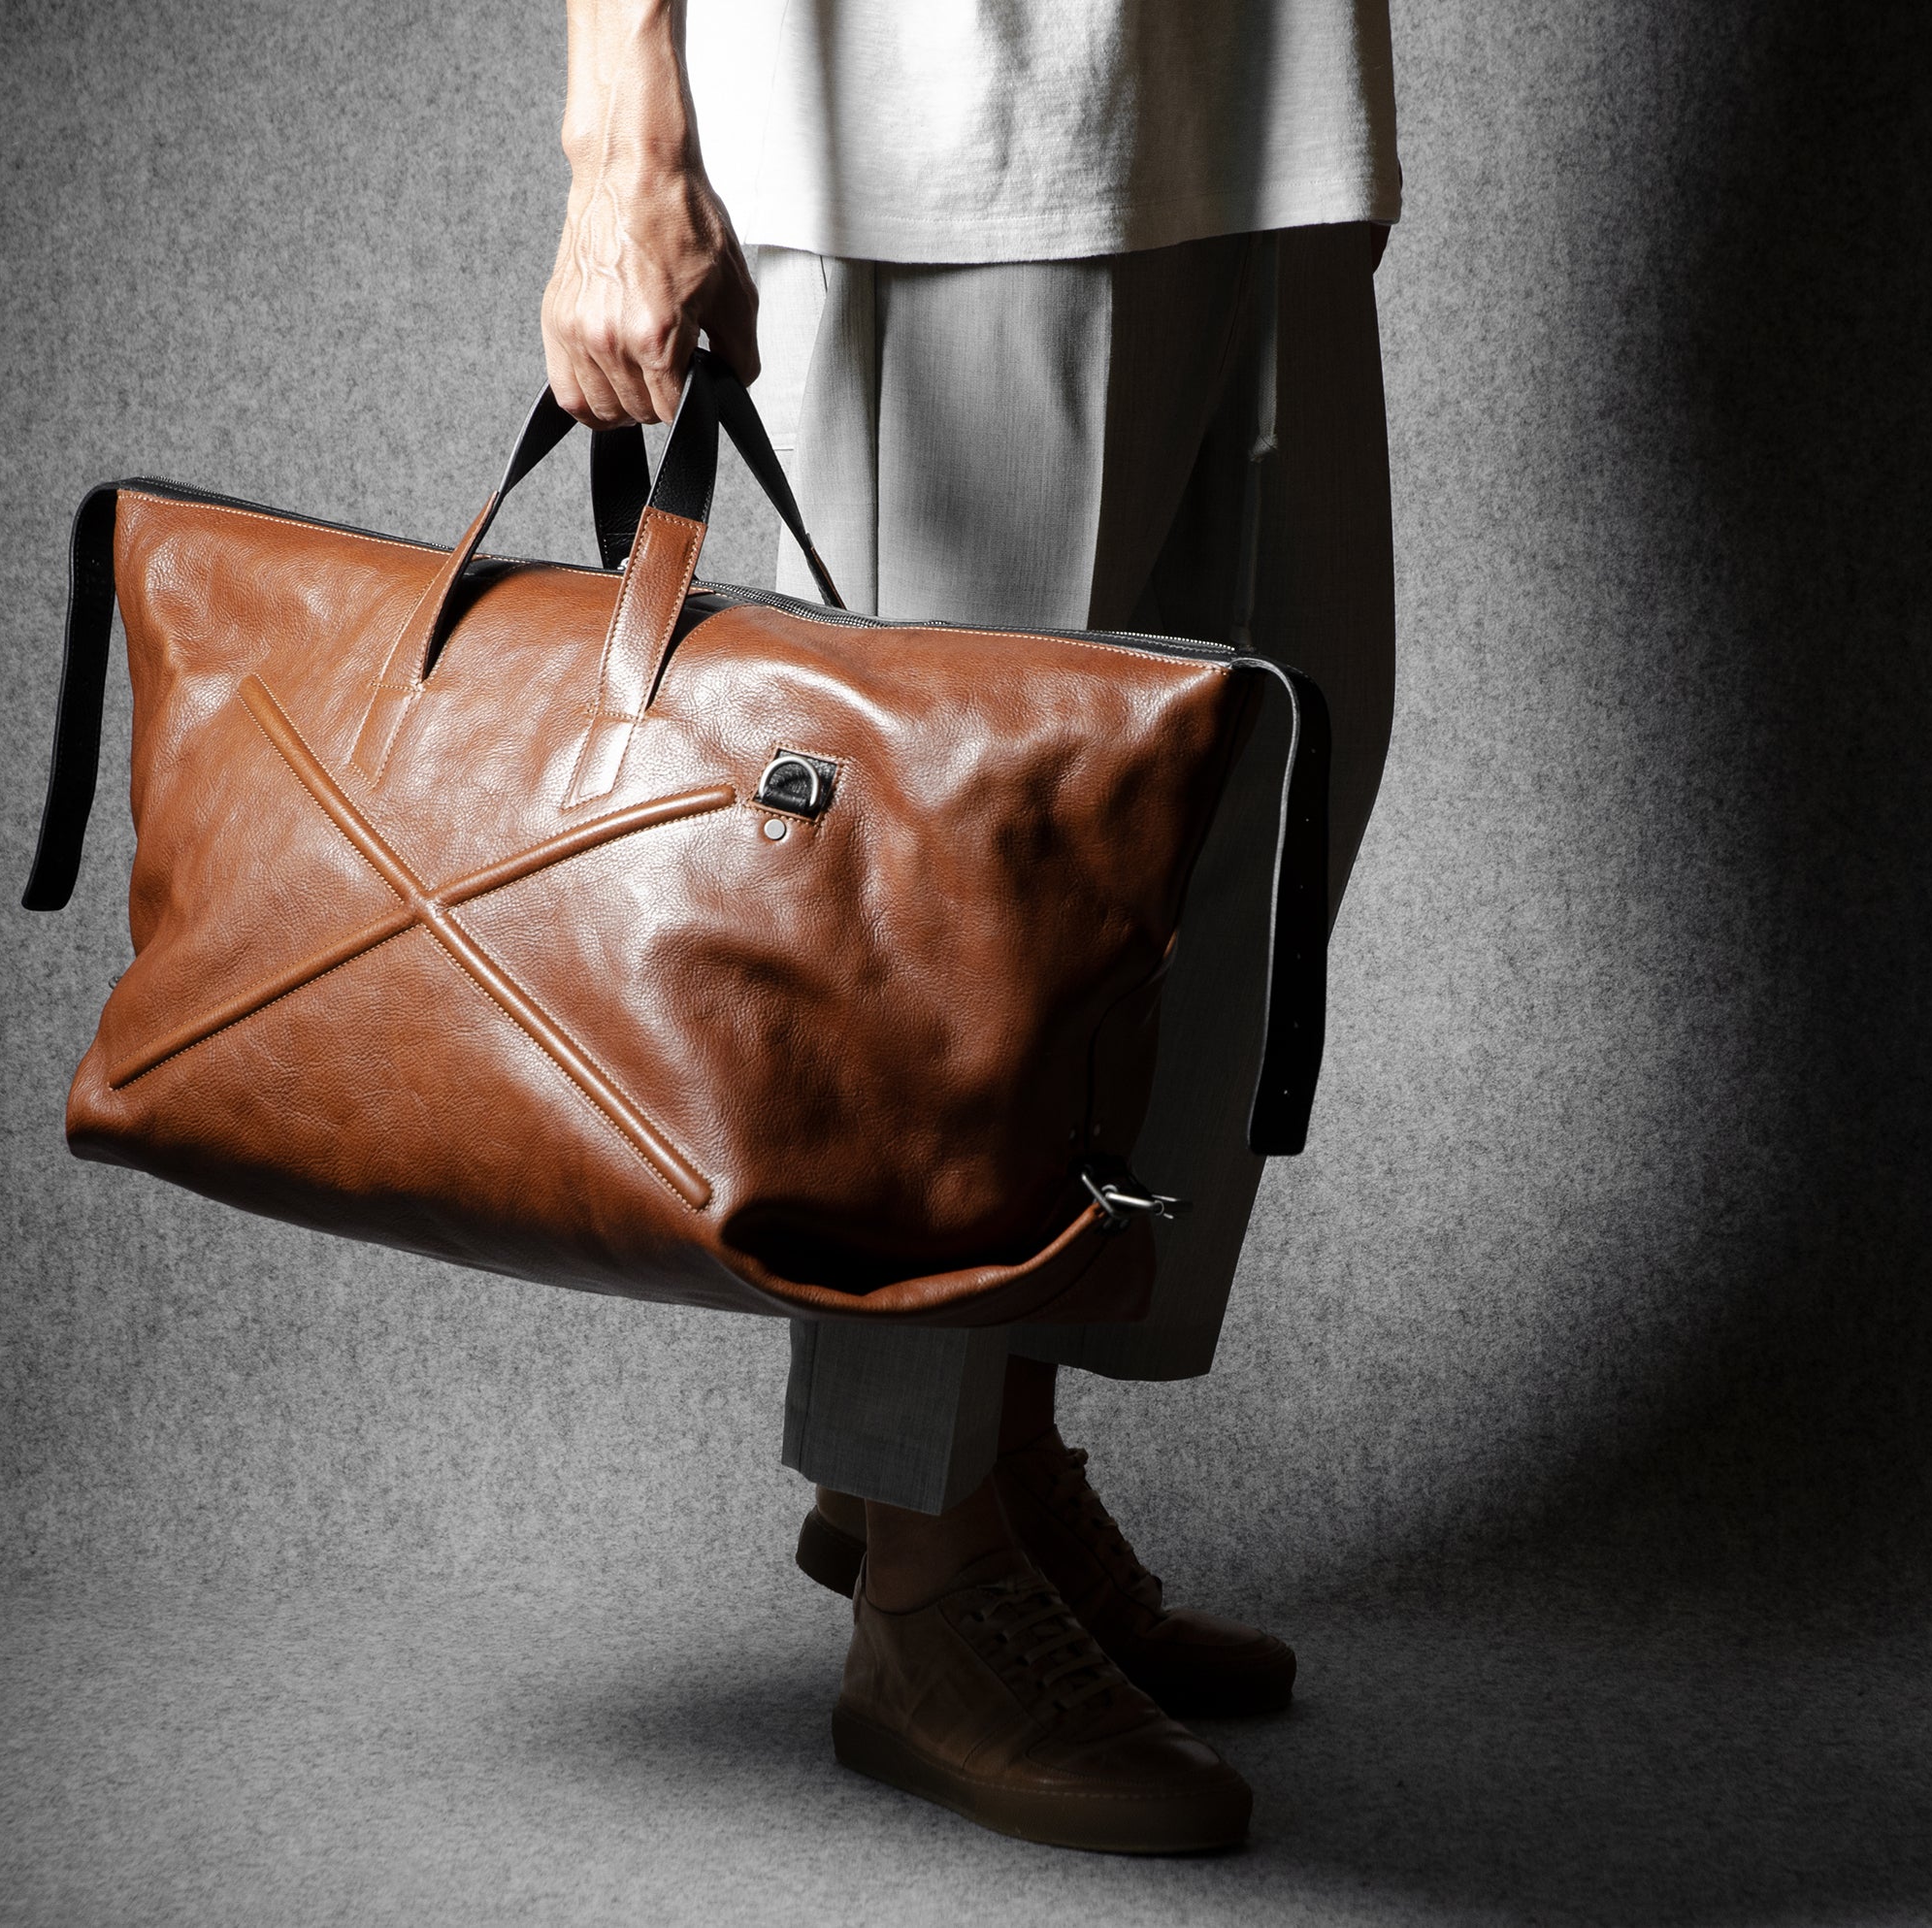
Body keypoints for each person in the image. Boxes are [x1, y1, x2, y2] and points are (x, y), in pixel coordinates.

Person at [539, 0, 1398, 1852]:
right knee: (949, 902)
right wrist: (624, 140)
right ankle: (924, 1576)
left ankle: (985, 1460)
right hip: (946, 129)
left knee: (1221, 823)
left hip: (1257, 102)